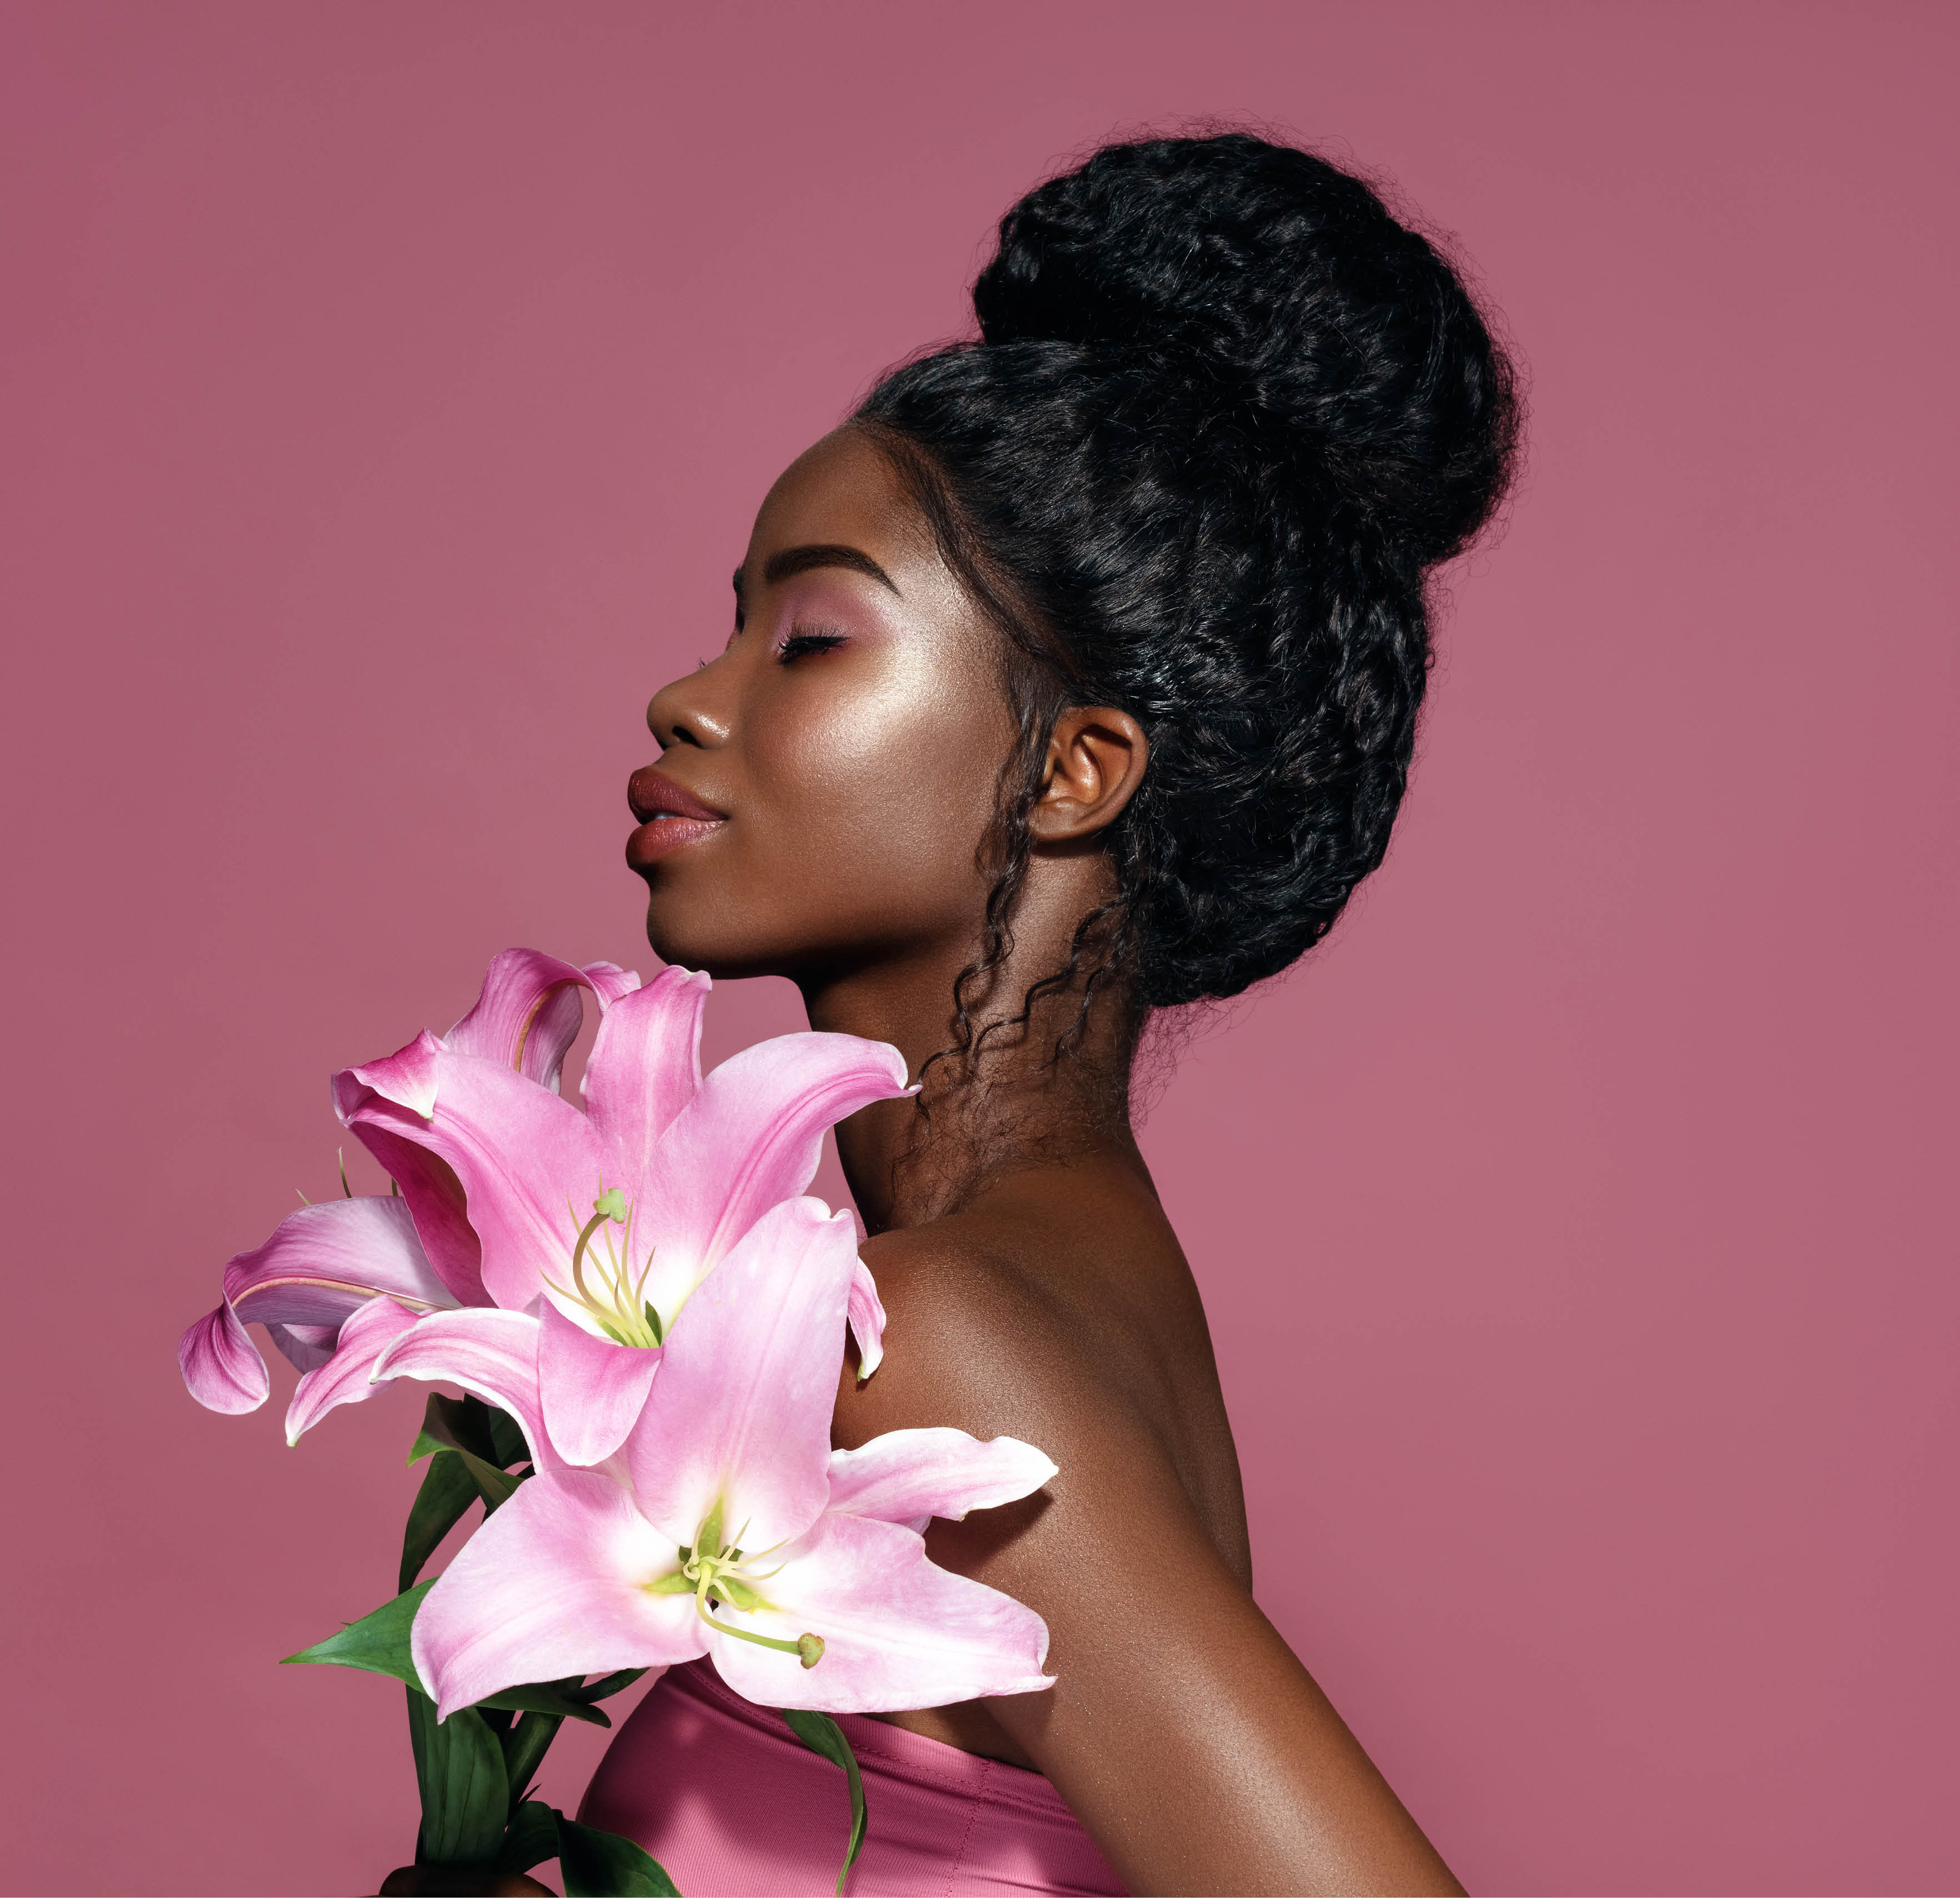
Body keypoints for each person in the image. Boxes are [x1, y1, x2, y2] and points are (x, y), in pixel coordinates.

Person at [582, 131, 1519, 1896]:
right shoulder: (1051, 1284)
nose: (688, 699)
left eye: (810, 640)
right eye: (730, 626)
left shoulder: (943, 1336)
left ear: (1075, 769)